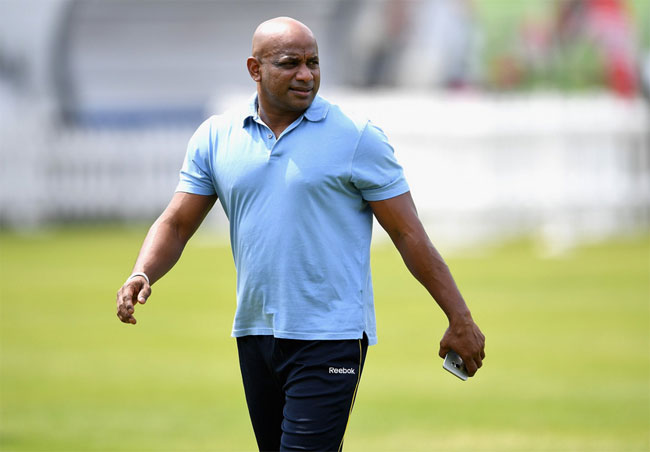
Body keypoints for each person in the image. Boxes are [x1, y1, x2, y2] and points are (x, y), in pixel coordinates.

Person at [116, 16, 485, 452]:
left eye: (313, 62)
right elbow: (176, 223)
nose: (306, 75)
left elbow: (408, 234)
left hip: (330, 337)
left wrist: (459, 316)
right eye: (290, 63)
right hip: (254, 332)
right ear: (255, 69)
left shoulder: (356, 137)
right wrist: (142, 272)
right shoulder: (215, 137)